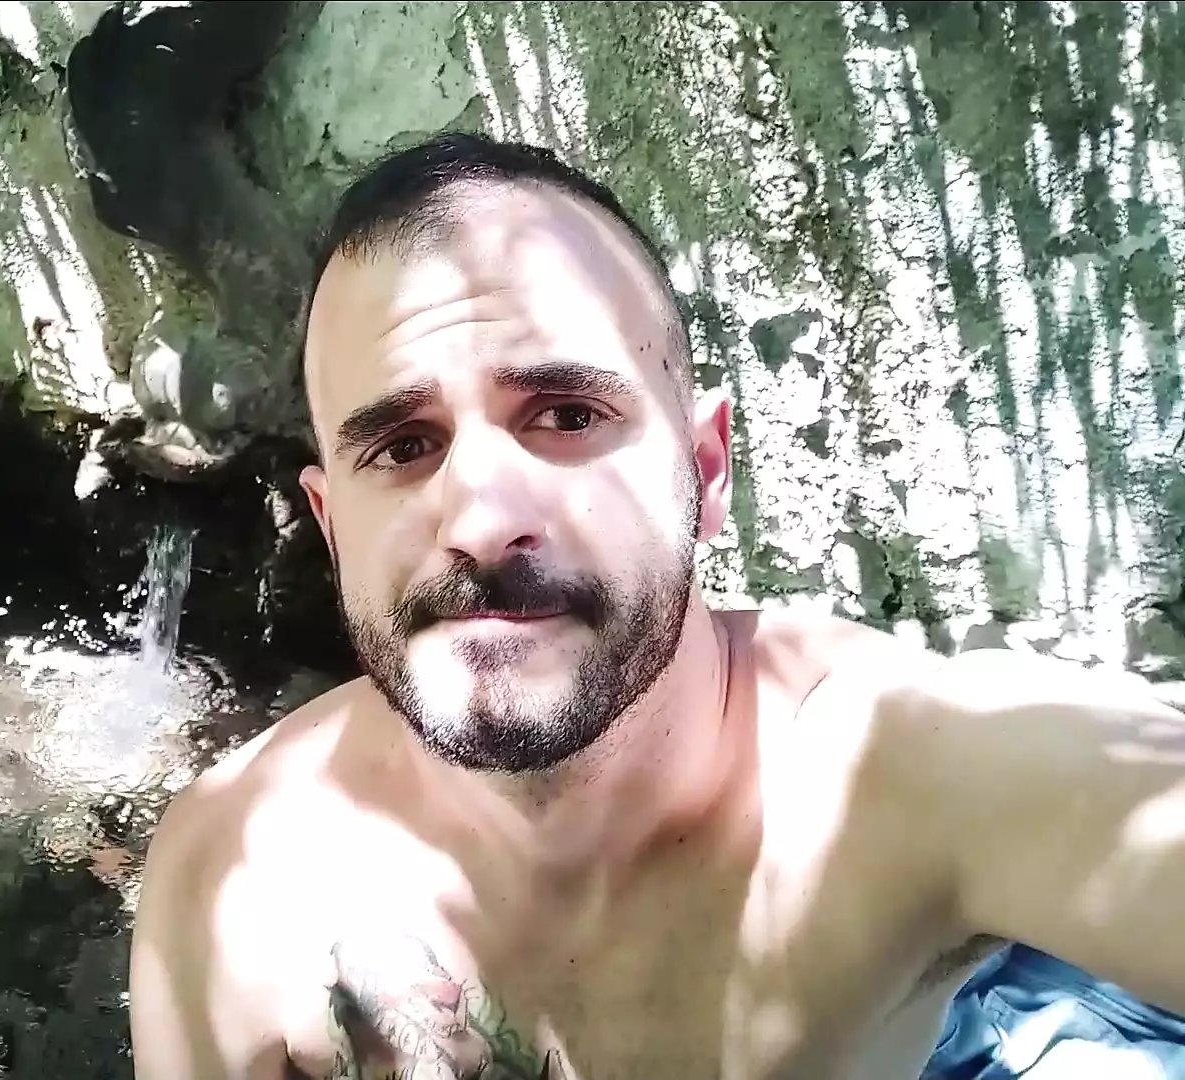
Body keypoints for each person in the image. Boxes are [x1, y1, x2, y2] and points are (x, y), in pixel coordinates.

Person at [125, 132, 1185, 1080]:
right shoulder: (230, 876)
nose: (482, 523)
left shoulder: (889, 773)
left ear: (705, 470)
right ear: (331, 526)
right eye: (404, 445)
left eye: (566, 414)